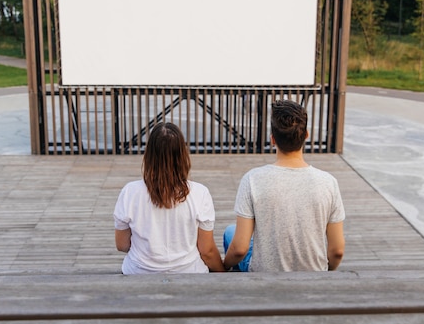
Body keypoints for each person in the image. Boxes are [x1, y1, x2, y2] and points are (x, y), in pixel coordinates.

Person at [223, 99, 345, 272]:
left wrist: (222, 267)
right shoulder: (328, 182)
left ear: (273, 139)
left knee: (230, 232)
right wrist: (326, 272)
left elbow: (239, 249)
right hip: (314, 276)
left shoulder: (252, 179)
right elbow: (337, 251)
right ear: (306, 136)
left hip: (265, 275)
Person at [114, 122, 225, 274]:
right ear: (182, 155)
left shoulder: (129, 192)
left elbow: (122, 245)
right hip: (189, 272)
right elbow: (207, 251)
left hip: (138, 273)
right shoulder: (200, 193)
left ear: (149, 155)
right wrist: (223, 274)